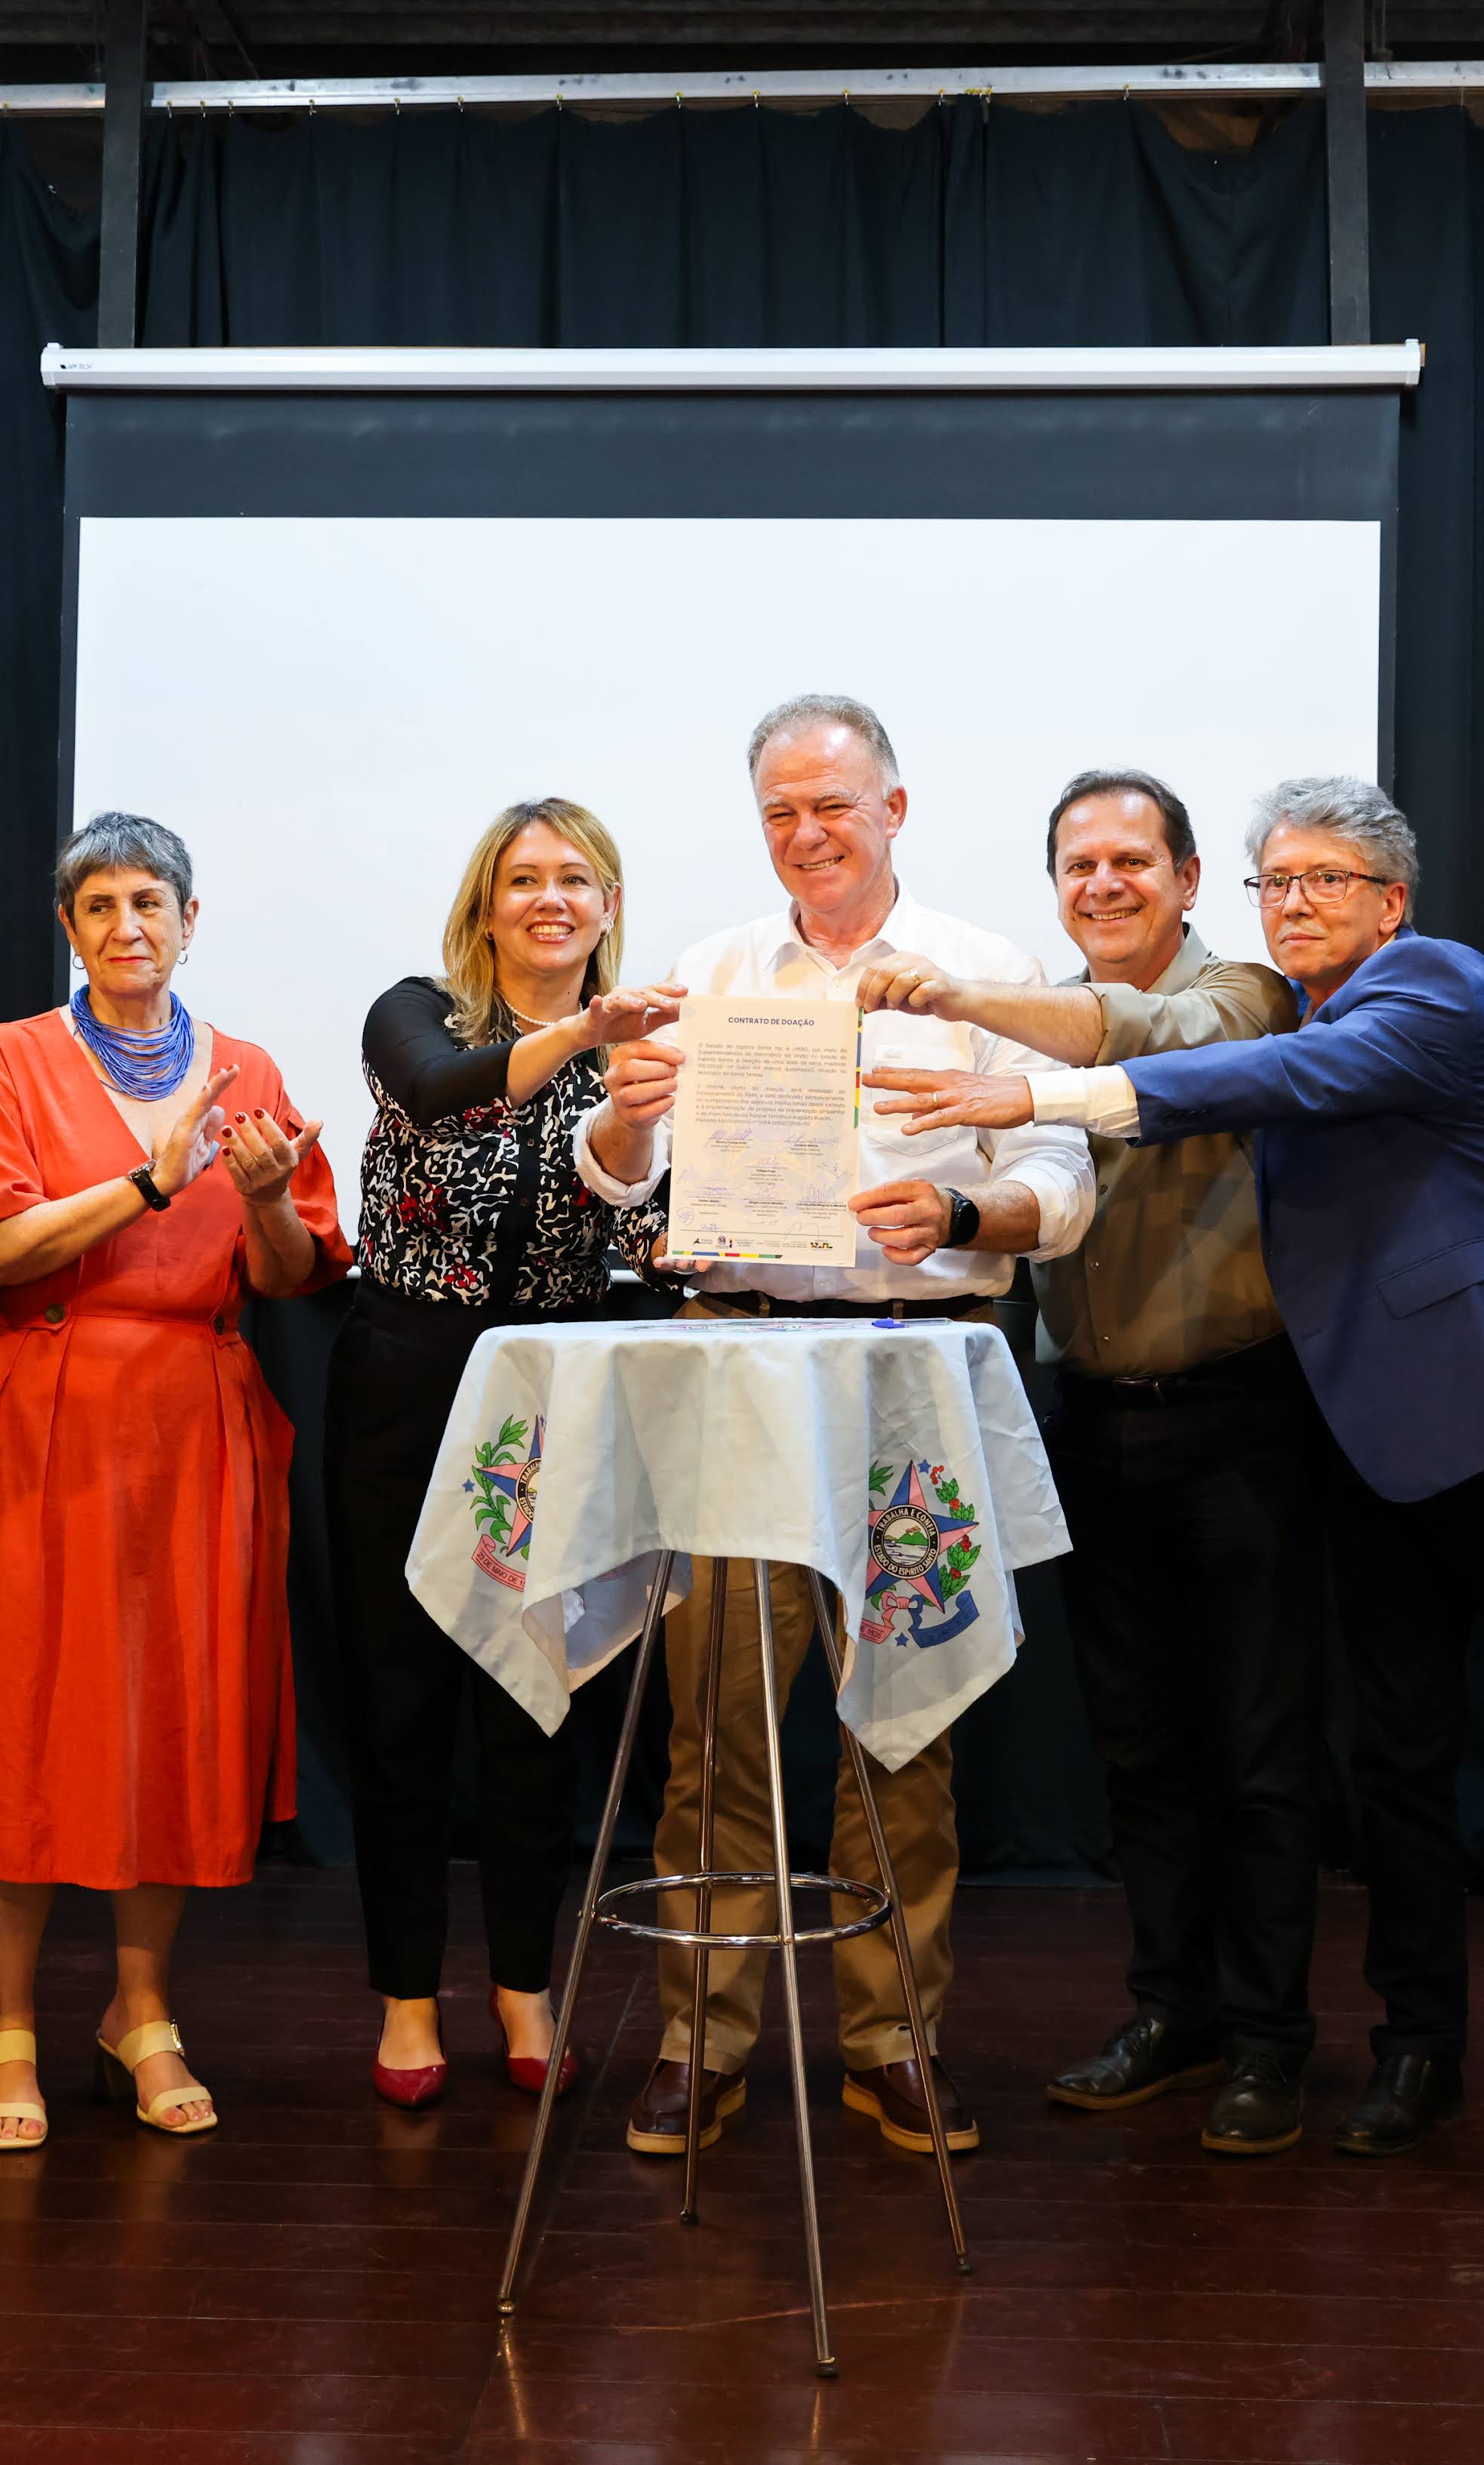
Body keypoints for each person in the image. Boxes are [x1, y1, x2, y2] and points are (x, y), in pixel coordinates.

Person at [867, 775, 1484, 2165]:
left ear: (1391, 900)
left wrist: (1021, 1085)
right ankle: (1416, 2050)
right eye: (1279, 883)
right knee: (1397, 1777)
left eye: (1323, 880)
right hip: (1358, 1446)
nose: (1296, 903)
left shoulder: (1431, 985)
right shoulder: (1298, 1002)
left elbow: (1267, 1082)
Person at [575, 693, 1095, 2161]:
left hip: (915, 1372)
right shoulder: (717, 973)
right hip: (738, 1368)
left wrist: (958, 1208)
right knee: (717, 1733)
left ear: (894, 810)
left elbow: (1060, 1188)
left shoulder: (986, 972)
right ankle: (697, 2043)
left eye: (833, 807)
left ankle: (894, 2044)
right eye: (781, 813)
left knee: (906, 1720)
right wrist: (622, 1122)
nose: (808, 835)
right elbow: (621, 1183)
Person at [0, 812, 349, 2150]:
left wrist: (249, 1200)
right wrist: (148, 1178)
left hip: (192, 1423)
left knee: (167, 1719)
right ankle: (4, 2021)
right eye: (100, 907)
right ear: (66, 929)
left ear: (192, 920)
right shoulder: (12, 1060)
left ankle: (142, 2010)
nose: (128, 927)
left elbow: (295, 1272)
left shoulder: (246, 1067)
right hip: (31, 1412)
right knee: (10, 1716)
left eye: (151, 902)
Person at [853, 769, 1328, 2156]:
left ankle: (1270, 2040)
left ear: (1188, 881)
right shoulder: (1042, 1016)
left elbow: (1143, 1043)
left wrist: (959, 1009)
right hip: (1095, 1421)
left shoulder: (1243, 995)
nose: (1103, 883)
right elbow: (1017, 1201)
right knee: (1138, 1745)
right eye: (1077, 864)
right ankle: (1170, 2013)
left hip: (1245, 1415)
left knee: (1259, 1747)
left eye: (1133, 860)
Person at [333, 800, 679, 2109]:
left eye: (573, 879)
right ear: (485, 903)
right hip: (407, 1382)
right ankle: (407, 1995)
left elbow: (651, 1235)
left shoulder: (654, 1056)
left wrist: (651, 1127)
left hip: (558, 1395)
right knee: (399, 1696)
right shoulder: (414, 1012)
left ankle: (526, 1982)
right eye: (521, 878)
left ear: (605, 904)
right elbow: (433, 1092)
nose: (548, 898)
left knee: (540, 1696)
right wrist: (588, 1032)